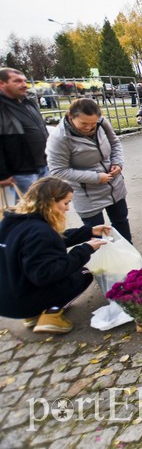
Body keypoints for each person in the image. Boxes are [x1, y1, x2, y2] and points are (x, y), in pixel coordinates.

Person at [0, 177, 110, 333]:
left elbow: (53, 240)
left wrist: (89, 231)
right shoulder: (39, 232)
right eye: (65, 203)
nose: (67, 208)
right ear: (50, 202)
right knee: (83, 274)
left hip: (7, 300)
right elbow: (48, 274)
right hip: (21, 301)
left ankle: (32, 314)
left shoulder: (12, 221)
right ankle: (50, 316)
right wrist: (85, 249)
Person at [46, 98, 132, 242]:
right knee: (95, 230)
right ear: (70, 116)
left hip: (114, 186)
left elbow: (114, 143)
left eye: (93, 124)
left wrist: (117, 162)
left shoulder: (101, 123)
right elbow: (58, 170)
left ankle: (129, 251)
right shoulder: (60, 138)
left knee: (121, 221)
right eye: (84, 124)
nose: (89, 128)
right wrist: (96, 177)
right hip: (87, 193)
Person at [0, 68, 50, 197]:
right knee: (26, 211)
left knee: (47, 207)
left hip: (44, 164)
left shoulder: (29, 102)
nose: (24, 85)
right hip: (22, 171)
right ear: (2, 83)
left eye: (24, 81)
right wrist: (2, 173)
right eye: (17, 81)